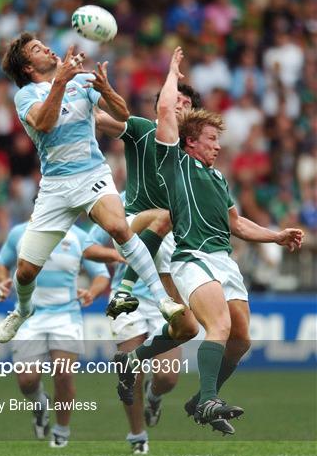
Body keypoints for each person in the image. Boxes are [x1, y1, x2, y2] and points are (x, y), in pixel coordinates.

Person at [113, 47, 304, 435]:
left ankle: (182, 386)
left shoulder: (216, 178)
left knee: (241, 339)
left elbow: (236, 222)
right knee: (215, 326)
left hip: (222, 258)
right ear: (191, 142)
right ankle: (208, 400)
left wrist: (276, 236)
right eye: (212, 138)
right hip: (191, 257)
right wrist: (171, 73)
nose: (218, 145)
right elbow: (167, 113)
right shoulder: (175, 162)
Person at [0, 32, 184, 343]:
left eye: (42, 43)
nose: (45, 47)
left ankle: (163, 299)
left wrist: (105, 88)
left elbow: (122, 114)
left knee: (118, 227)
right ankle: (23, 309)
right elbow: (44, 123)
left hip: (91, 174)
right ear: (28, 67)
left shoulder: (80, 81)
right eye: (36, 49)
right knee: (26, 272)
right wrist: (60, 81)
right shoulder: (26, 95)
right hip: (55, 187)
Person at [94, 83, 200, 345]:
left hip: (169, 245)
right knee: (162, 216)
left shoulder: (194, 155)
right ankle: (123, 291)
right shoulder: (143, 130)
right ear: (160, 107)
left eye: (187, 104)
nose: (180, 106)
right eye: (175, 101)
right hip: (135, 223)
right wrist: (79, 95)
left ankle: (150, 376)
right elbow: (102, 120)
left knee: (186, 332)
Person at [0, 222, 110, 448]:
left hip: (66, 315)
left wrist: (92, 292)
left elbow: (101, 274)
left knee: (64, 374)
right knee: (27, 380)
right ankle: (40, 402)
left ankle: (61, 431)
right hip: (28, 316)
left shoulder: (79, 237)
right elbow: (0, 263)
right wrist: (2, 281)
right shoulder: (19, 232)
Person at [83, 194, 181, 455]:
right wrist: (119, 256)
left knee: (168, 377)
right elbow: (87, 245)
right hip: (128, 297)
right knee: (129, 371)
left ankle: (154, 396)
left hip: (166, 296)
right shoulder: (118, 201)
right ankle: (137, 434)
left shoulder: (177, 196)